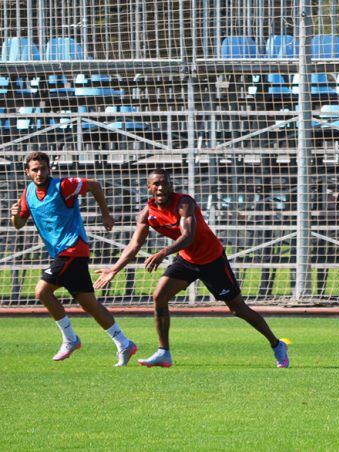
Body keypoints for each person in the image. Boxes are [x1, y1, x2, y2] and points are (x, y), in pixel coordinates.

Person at [94, 169, 289, 369]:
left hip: (212, 260)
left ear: (170, 185)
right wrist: (114, 269)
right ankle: (163, 353)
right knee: (159, 296)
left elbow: (188, 236)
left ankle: (277, 345)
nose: (161, 187)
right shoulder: (147, 213)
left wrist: (163, 253)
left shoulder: (184, 203)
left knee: (237, 309)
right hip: (187, 260)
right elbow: (134, 245)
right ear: (149, 187)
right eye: (156, 184)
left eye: (164, 183)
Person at [10, 151, 137, 366]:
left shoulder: (63, 186)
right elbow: (19, 224)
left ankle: (70, 339)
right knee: (89, 304)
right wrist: (14, 214)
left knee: (42, 290)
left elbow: (94, 185)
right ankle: (124, 343)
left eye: (43, 168)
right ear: (27, 172)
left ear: (49, 169)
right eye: (35, 169)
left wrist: (105, 214)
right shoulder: (28, 193)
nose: (39, 173)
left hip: (72, 249)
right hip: (61, 253)